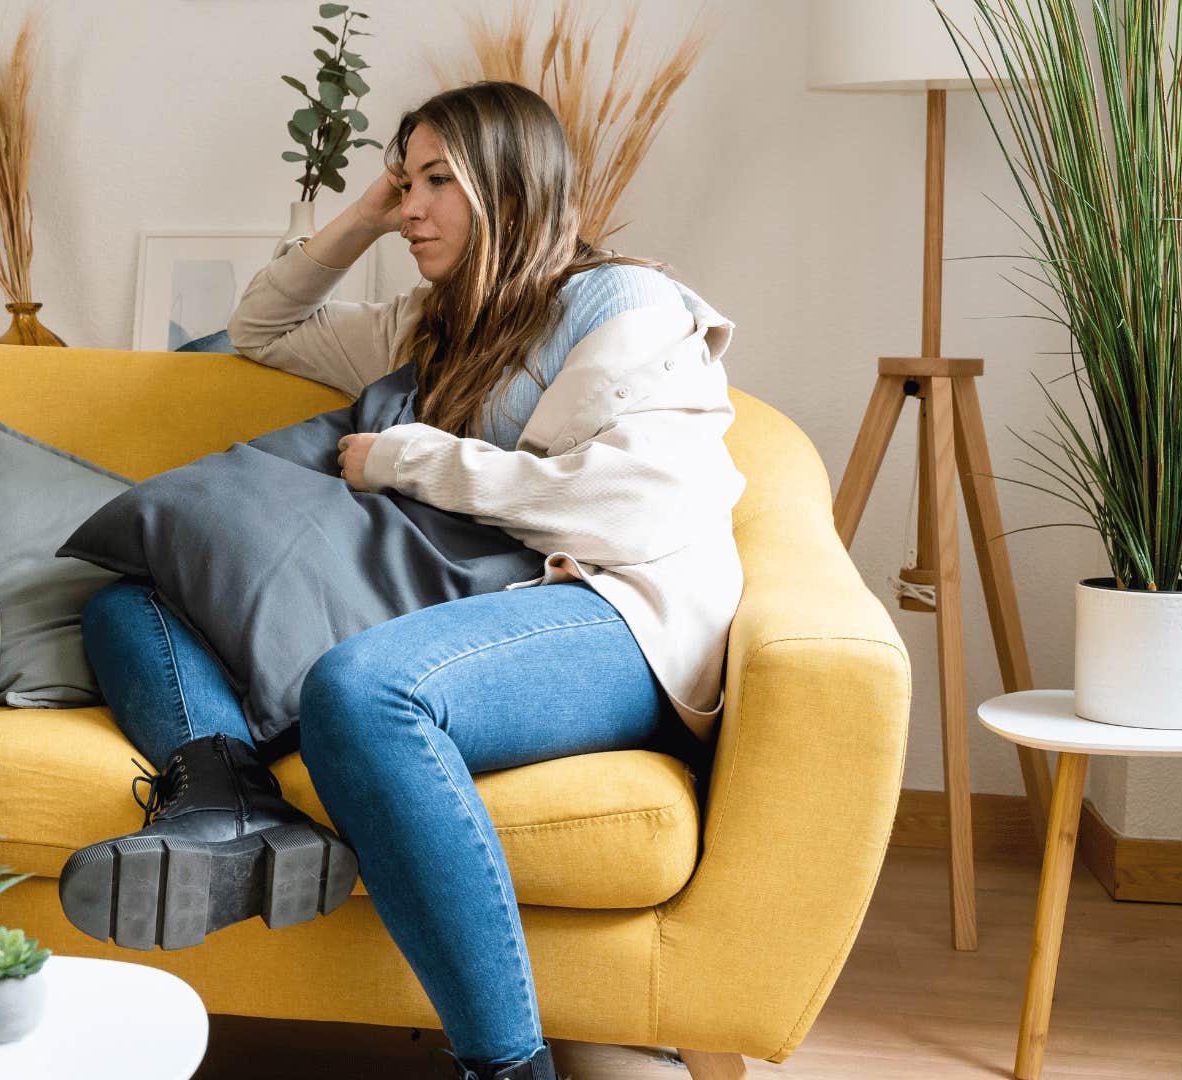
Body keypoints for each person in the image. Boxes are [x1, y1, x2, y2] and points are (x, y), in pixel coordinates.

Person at [58, 82, 742, 1080]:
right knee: (132, 599)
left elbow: (626, 512)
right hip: (465, 599)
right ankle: (228, 804)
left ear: (512, 188)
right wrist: (364, 212)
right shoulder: (432, 321)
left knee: (365, 694)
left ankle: (507, 1067)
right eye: (403, 180)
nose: (411, 206)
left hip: (611, 615)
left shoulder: (621, 308)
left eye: (437, 183)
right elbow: (262, 327)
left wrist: (406, 459)